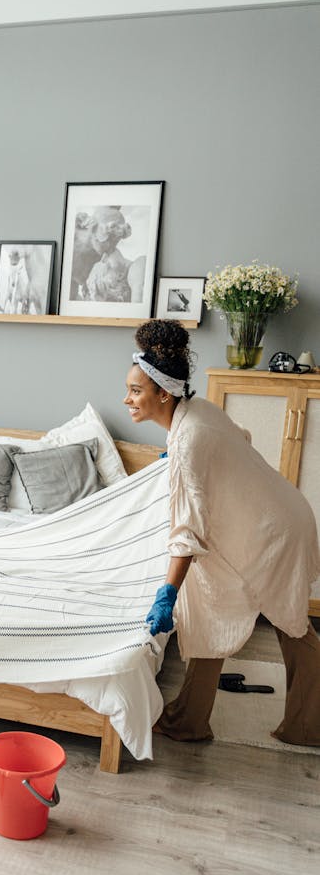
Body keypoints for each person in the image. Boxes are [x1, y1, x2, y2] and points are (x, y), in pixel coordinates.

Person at [124, 319, 320, 746]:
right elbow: (241, 437)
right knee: (209, 612)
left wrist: (167, 593)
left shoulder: (189, 438)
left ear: (164, 393)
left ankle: (310, 726)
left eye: (136, 391)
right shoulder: (197, 413)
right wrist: (186, 452)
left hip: (278, 532)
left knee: (292, 625)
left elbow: (187, 532)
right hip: (277, 515)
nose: (127, 399)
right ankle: (189, 720)